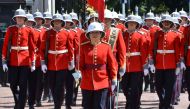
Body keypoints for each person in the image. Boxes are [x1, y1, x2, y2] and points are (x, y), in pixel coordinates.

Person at [2, 6, 35, 109]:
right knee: (12, 84)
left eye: (21, 17)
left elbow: (32, 47)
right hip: (13, 60)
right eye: (18, 17)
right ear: (15, 19)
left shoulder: (29, 30)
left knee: (23, 84)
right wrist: (3, 60)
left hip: (25, 61)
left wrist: (32, 62)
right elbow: (6, 45)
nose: (19, 19)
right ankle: (19, 99)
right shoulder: (10, 29)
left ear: (24, 19)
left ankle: (20, 105)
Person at [40, 11, 74, 109]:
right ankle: (57, 102)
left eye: (59, 21)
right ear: (53, 22)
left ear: (62, 22)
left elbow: (70, 48)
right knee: (52, 85)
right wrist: (43, 62)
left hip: (62, 62)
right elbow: (42, 49)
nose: (57, 23)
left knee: (59, 85)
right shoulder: (48, 33)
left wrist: (71, 61)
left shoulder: (66, 33)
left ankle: (57, 105)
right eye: (55, 21)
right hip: (50, 63)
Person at [80, 22, 117, 109]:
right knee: (87, 106)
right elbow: (80, 64)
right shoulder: (83, 47)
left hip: (102, 81)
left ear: (101, 34)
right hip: (87, 81)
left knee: (100, 106)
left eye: (97, 32)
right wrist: (78, 74)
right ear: (89, 34)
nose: (94, 34)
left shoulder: (106, 47)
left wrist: (114, 78)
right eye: (92, 32)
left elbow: (112, 64)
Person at [149, 14, 181, 109]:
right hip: (159, 64)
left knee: (169, 87)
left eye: (168, 22)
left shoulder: (175, 35)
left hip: (171, 65)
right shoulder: (157, 34)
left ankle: (166, 105)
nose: (166, 23)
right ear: (162, 23)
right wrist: (151, 62)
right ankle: (162, 101)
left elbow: (178, 51)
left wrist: (178, 65)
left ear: (171, 24)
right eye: (164, 22)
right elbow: (152, 48)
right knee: (158, 86)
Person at [121, 14, 147, 109]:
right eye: (130, 23)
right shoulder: (122, 35)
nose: (131, 24)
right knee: (124, 87)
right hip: (124, 65)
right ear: (127, 24)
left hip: (136, 65)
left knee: (134, 88)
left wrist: (144, 65)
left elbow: (143, 52)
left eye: (134, 23)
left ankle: (133, 105)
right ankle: (131, 103)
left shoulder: (140, 36)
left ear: (137, 25)